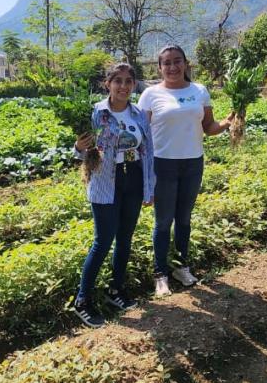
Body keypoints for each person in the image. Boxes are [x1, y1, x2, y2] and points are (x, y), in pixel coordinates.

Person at [137, 45, 235, 297]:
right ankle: (160, 274)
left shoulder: (199, 91)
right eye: (166, 63)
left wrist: (228, 122)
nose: (172, 67)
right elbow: (140, 134)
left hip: (193, 163)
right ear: (159, 68)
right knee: (163, 222)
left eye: (177, 61)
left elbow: (208, 126)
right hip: (163, 164)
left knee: (184, 219)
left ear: (186, 64)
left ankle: (182, 267)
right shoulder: (150, 95)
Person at [72, 62, 155, 328]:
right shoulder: (96, 113)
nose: (123, 86)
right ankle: (82, 300)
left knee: (125, 239)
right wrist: (78, 148)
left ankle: (116, 290)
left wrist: (148, 186)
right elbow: (81, 152)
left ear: (134, 84)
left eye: (128, 81)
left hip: (133, 178)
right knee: (103, 241)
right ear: (107, 84)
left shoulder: (139, 114)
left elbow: (148, 151)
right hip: (105, 181)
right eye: (117, 80)